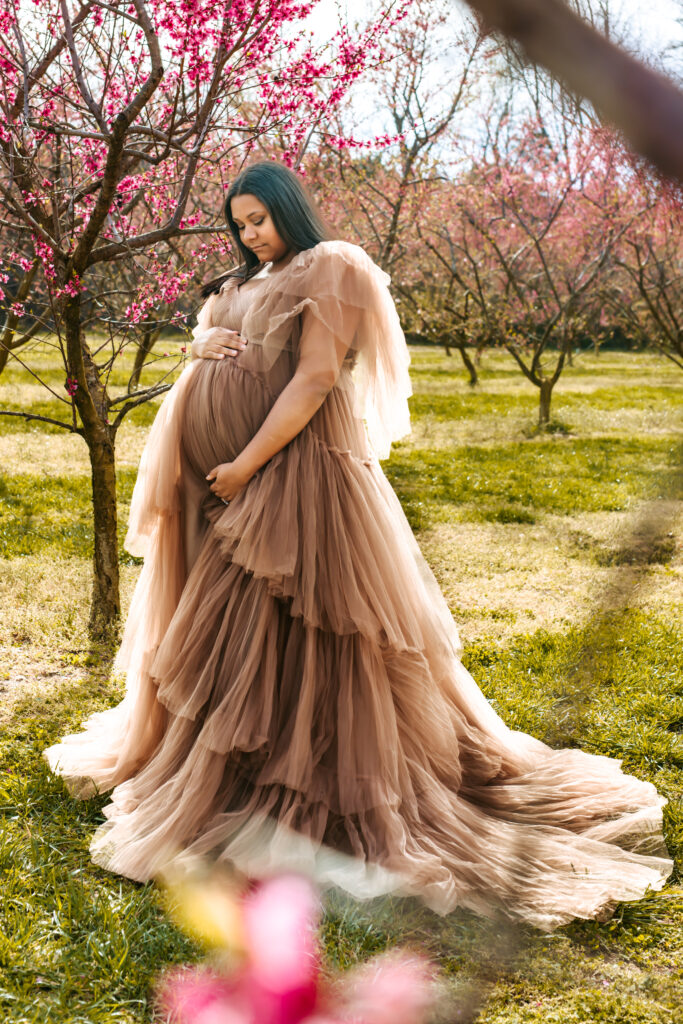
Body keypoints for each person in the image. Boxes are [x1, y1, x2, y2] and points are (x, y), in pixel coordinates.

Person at [44, 161, 672, 932]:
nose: (248, 234)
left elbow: (311, 380)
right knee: (234, 634)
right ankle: (237, 767)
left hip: (292, 475)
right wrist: (201, 357)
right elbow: (223, 348)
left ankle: (308, 781)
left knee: (311, 628)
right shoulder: (241, 279)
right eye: (237, 223)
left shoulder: (332, 265)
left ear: (288, 209)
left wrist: (246, 462)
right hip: (217, 488)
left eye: (259, 219)